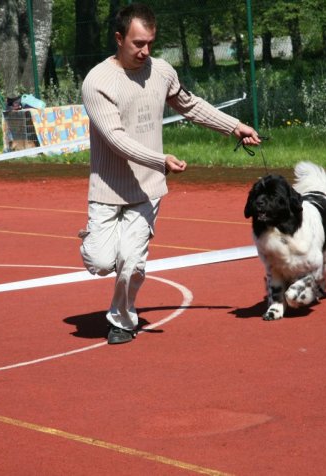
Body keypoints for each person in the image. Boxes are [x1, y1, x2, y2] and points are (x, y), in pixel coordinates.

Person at [79, 3, 261, 345]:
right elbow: (116, 139)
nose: (145, 51)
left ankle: (122, 320)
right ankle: (93, 240)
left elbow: (190, 105)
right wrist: (160, 160)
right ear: (119, 39)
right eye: (137, 44)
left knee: (131, 262)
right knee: (102, 262)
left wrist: (234, 127)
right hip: (107, 189)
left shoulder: (161, 72)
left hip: (147, 189)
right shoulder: (97, 83)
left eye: (150, 43)